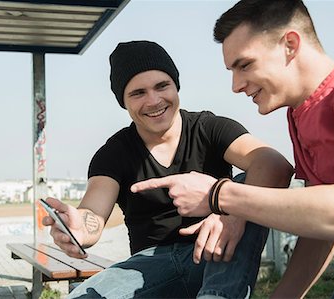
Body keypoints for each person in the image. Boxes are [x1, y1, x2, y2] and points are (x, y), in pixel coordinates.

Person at [131, 1, 334, 298]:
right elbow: (322, 226)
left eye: (245, 65)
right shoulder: (299, 116)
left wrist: (219, 195)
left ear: (290, 45)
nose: (236, 85)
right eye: (231, 70)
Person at [42, 40, 293, 298]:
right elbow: (93, 212)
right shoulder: (114, 153)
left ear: (176, 86)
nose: (153, 100)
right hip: (149, 268)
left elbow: (274, 165)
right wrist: (79, 228)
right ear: (123, 102)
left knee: (248, 183)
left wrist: (233, 214)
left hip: (215, 258)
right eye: (138, 93)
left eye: (162, 86)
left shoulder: (209, 128)